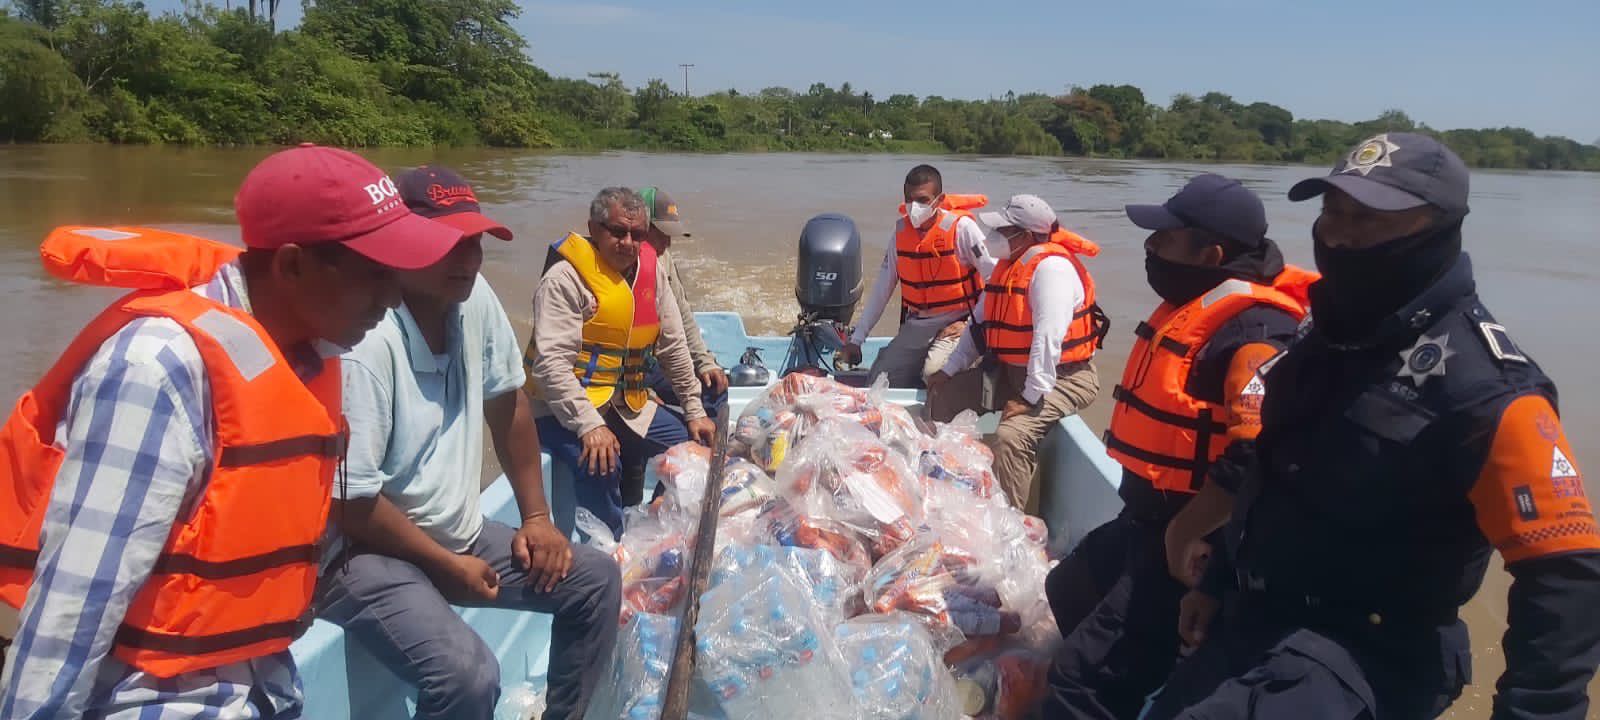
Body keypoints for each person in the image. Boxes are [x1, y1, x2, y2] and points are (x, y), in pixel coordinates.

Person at [1145, 134, 1600, 720]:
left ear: (1436, 227)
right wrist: (1219, 579)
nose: (1339, 235)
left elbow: (1565, 577)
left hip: (1364, 658)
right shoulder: (1327, 334)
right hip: (1254, 619)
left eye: (1369, 218)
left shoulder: (1488, 389)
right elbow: (1275, 468)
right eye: (1332, 211)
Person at [0, 145, 462, 719]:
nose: (393, 298)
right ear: (292, 265)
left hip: (260, 684)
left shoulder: (306, 353)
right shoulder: (158, 366)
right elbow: (75, 600)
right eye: (375, 275)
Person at [317, 166, 622, 720]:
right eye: (448, 242)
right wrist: (447, 564)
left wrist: (536, 517)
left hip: (458, 536)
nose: (468, 258)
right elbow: (351, 503)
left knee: (595, 579)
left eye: (475, 241)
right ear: (399, 243)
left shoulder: (471, 295)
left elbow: (508, 405)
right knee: (468, 675)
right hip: (365, 553)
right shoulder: (366, 342)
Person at [1041, 174, 1315, 719]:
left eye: (1165, 237)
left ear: (1210, 252)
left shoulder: (1254, 331)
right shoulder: (1197, 305)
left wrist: (1185, 534)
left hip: (1195, 540)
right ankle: (1148, 674)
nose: (1150, 246)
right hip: (1148, 520)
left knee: (1078, 680)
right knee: (1068, 587)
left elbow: (1257, 456)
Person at [528, 187, 716, 536]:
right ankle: (607, 551)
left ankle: (655, 528)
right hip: (562, 409)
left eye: (637, 234)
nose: (628, 242)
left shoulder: (651, 272)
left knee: (692, 450)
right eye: (618, 231)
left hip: (623, 402)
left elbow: (673, 347)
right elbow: (551, 366)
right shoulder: (565, 279)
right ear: (594, 228)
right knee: (600, 461)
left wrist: (694, 409)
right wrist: (589, 425)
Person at [927, 194, 1106, 509]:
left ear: (1024, 235)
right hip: (1012, 370)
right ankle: (947, 491)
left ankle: (1012, 527)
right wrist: (949, 370)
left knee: (1011, 437)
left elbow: (1048, 338)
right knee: (943, 396)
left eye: (1003, 230)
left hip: (1063, 377)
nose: (993, 236)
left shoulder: (1052, 270)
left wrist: (1030, 396)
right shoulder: (1008, 268)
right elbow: (977, 327)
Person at [839, 164, 996, 386]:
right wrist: (857, 340)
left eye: (922, 200)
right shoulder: (900, 234)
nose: (915, 207)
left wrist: (971, 323)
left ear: (939, 200)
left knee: (933, 374)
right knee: (879, 382)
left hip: (958, 321)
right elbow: (882, 289)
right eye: (909, 200)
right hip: (919, 323)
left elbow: (994, 280)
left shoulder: (963, 230)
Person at [637, 186, 729, 418]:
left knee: (714, 388)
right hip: (629, 372)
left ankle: (713, 449)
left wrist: (704, 362)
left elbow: (683, 314)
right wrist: (638, 389)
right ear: (640, 227)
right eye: (661, 234)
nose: (667, 243)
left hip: (659, 361)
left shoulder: (662, 259)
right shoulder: (621, 265)